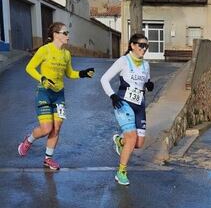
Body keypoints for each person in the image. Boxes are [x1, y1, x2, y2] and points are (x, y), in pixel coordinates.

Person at [18, 22, 95, 170]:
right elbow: (29, 68)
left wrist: (82, 73)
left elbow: (69, 73)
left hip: (59, 94)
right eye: (65, 33)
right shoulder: (45, 50)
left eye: (67, 33)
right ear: (56, 35)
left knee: (57, 128)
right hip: (44, 92)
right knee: (46, 128)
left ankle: (48, 159)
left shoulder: (66, 54)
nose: (68, 36)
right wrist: (42, 79)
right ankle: (28, 140)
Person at [100, 33, 154, 186]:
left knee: (138, 143)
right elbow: (104, 79)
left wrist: (149, 85)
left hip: (140, 106)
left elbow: (146, 81)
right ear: (132, 45)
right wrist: (112, 96)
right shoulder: (123, 61)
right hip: (123, 103)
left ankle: (119, 140)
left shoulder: (146, 64)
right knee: (131, 138)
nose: (144, 48)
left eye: (146, 46)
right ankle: (121, 172)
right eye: (141, 45)